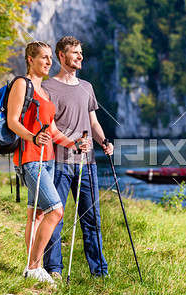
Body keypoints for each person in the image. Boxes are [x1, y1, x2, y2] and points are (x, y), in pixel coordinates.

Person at [6, 41, 87, 284]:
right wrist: (32, 136)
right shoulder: (22, 84)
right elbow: (12, 121)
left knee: (37, 214)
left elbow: (51, 129)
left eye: (51, 57)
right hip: (30, 159)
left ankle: (35, 268)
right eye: (44, 57)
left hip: (49, 158)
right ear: (30, 59)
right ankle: (32, 268)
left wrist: (74, 144)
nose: (49, 62)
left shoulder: (43, 90)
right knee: (57, 210)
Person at [42, 36, 113, 278]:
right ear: (61, 56)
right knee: (56, 217)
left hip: (87, 164)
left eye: (81, 52)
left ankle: (99, 272)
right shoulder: (47, 88)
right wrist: (72, 142)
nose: (80, 56)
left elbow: (93, 122)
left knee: (92, 220)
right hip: (59, 163)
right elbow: (49, 127)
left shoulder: (87, 87)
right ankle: (53, 270)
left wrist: (103, 141)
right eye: (75, 52)